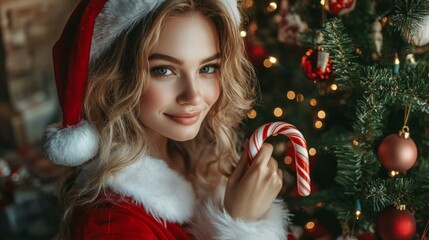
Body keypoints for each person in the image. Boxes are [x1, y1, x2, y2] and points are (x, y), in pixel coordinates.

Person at [44, 0, 289, 239]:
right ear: (116, 80)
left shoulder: (199, 155)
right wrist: (240, 224)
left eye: (208, 68)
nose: (193, 96)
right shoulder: (110, 223)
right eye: (164, 70)